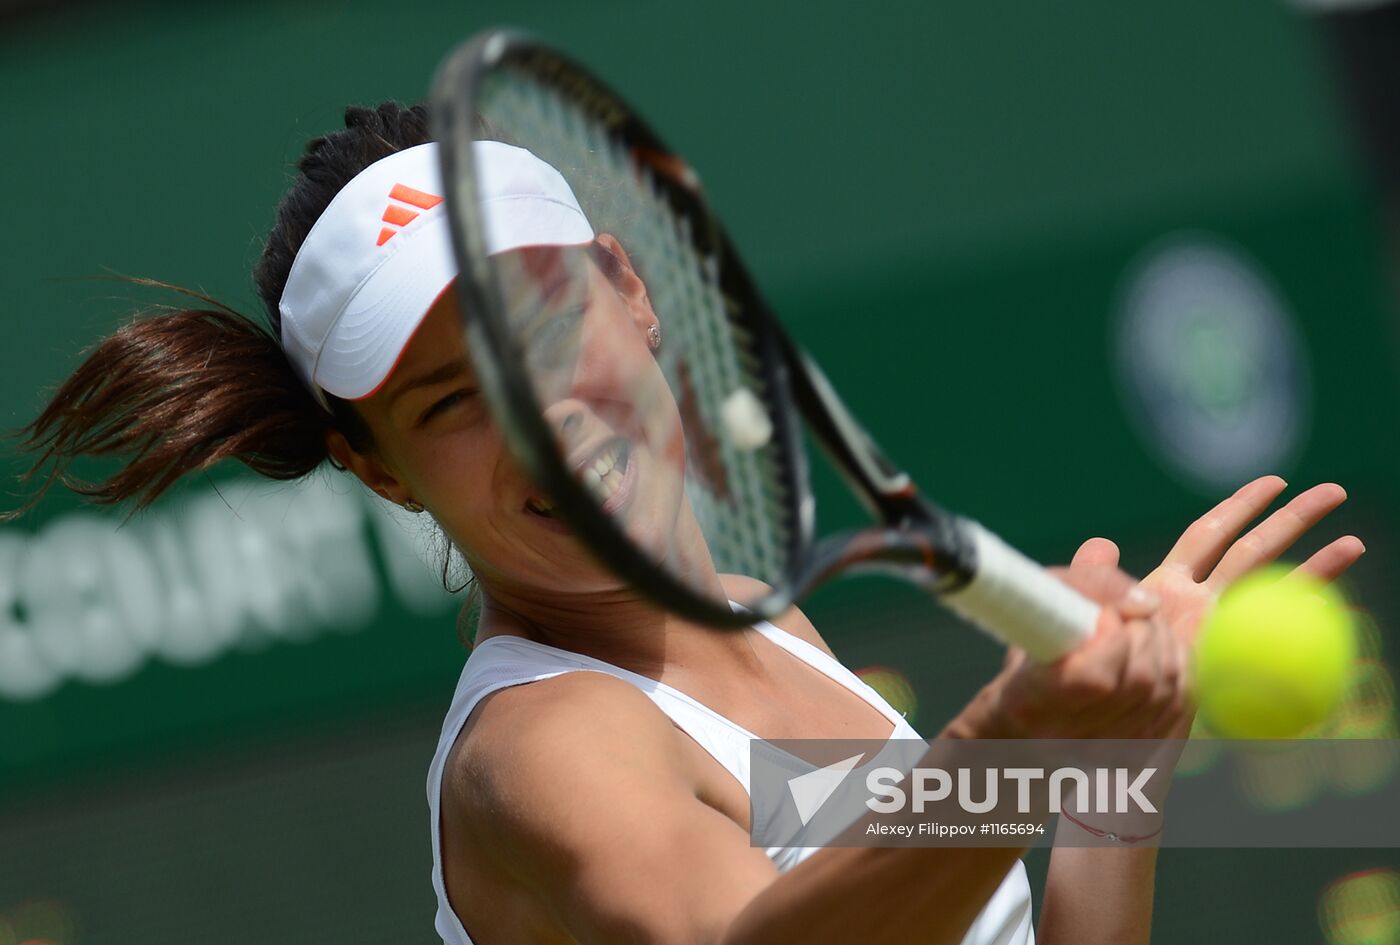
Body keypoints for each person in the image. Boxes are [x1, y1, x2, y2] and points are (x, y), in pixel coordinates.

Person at [12, 101, 1364, 945]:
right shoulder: (542, 752)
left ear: (629, 290)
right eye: (454, 400)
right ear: (381, 471)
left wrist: (1113, 769)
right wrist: (1014, 738)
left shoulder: (764, 623)